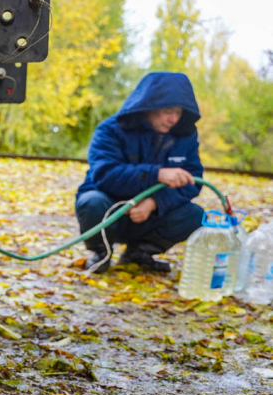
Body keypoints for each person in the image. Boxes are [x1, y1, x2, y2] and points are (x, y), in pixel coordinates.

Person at [76, 72, 205, 273]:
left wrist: (155, 202)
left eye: (178, 112)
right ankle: (102, 253)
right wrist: (157, 174)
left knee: (194, 214)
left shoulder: (185, 136)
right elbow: (104, 174)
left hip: (152, 216)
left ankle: (139, 253)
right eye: (167, 111)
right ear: (149, 107)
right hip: (112, 210)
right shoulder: (110, 129)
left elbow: (193, 181)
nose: (173, 119)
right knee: (91, 201)